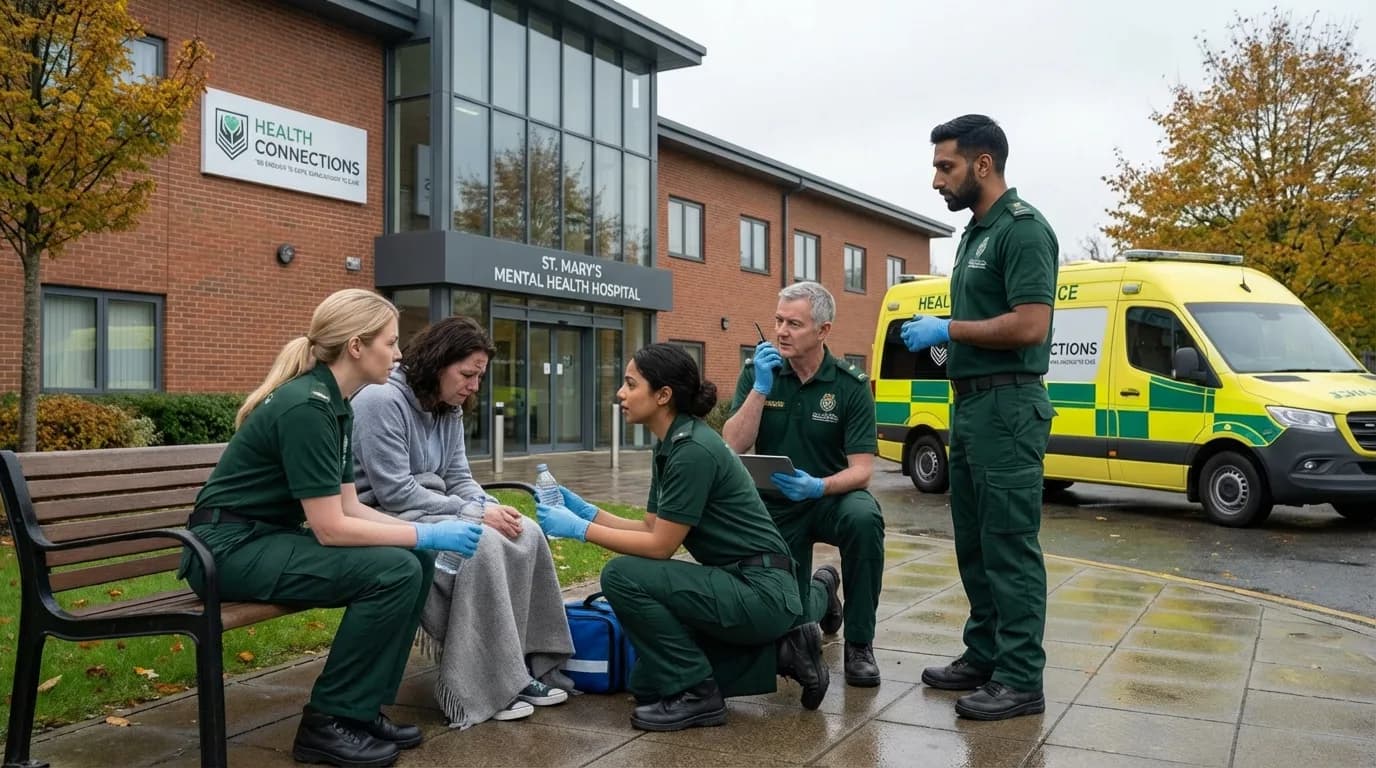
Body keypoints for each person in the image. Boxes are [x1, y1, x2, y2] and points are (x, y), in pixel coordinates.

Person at [180, 289, 486, 768]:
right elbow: (331, 529)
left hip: (261, 539)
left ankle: (359, 711)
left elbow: (351, 507)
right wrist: (423, 533)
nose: (401, 353)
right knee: (396, 570)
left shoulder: (334, 403)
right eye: (391, 341)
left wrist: (426, 538)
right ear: (357, 346)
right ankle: (328, 722)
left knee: (413, 562)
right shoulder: (308, 407)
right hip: (226, 550)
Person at [535, 343, 829, 732]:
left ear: (663, 395)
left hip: (761, 590)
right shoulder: (673, 443)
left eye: (630, 384)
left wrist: (580, 531)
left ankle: (698, 693)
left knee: (621, 576)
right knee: (647, 681)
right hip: (745, 582)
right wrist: (585, 511)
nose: (620, 394)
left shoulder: (692, 451)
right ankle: (784, 653)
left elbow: (659, 547)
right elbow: (649, 527)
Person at [902, 114, 1058, 721]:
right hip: (969, 404)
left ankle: (1021, 678)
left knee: (1009, 544)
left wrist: (950, 329)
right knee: (974, 542)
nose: (937, 179)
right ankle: (986, 654)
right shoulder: (974, 235)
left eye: (946, 166)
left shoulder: (1023, 231)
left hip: (1009, 406)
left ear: (983, 165)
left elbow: (1029, 325)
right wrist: (949, 344)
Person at [351, 316, 574, 728]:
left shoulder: (446, 407)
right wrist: (471, 512)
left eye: (479, 376)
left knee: (526, 532)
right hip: (386, 517)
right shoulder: (379, 401)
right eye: (467, 374)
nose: (474, 386)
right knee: (480, 545)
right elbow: (395, 492)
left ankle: (521, 668)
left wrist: (487, 504)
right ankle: (484, 684)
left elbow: (458, 476)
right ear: (438, 363)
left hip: (433, 506)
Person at [722, 281, 886, 688]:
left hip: (830, 498)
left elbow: (863, 470)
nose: (781, 331)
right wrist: (760, 388)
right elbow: (731, 444)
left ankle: (860, 645)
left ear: (823, 331)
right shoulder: (758, 372)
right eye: (778, 321)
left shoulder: (849, 385)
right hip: (776, 505)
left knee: (865, 518)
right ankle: (823, 590)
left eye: (793, 324)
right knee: (787, 619)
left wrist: (818, 486)